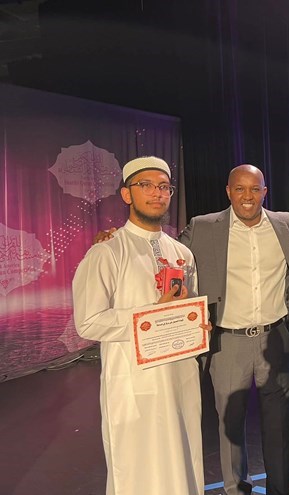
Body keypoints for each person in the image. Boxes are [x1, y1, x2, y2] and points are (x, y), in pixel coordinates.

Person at [179, 164, 289, 495]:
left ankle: (281, 490)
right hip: (228, 342)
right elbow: (167, 257)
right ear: (228, 192)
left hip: (275, 338)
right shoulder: (203, 227)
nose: (247, 196)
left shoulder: (288, 224)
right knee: (230, 426)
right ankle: (236, 489)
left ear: (264, 192)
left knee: (279, 425)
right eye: (239, 189)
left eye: (255, 189)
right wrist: (118, 239)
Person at [73, 156, 207, 495]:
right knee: (138, 470)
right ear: (126, 194)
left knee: (184, 460)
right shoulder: (107, 252)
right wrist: (150, 315)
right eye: (146, 185)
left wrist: (198, 326)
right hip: (135, 381)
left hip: (180, 376)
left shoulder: (182, 253)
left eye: (164, 187)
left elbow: (186, 308)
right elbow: (88, 322)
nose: (157, 193)